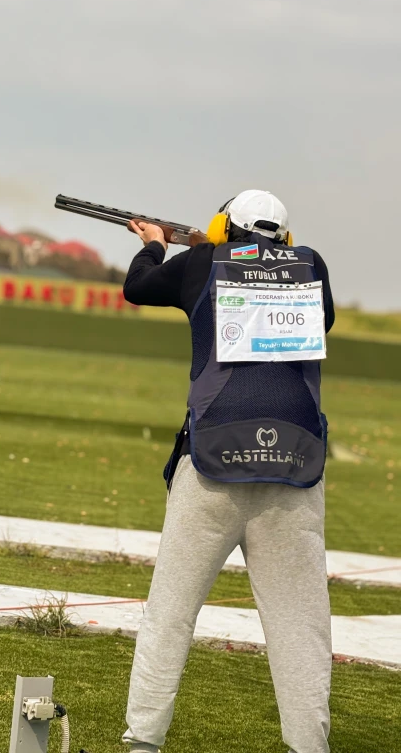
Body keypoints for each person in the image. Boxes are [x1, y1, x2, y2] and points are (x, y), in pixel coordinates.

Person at [121, 190, 335, 753]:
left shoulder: (198, 264)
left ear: (222, 225)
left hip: (212, 465)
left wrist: (156, 247)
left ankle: (143, 739)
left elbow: (138, 289)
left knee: (169, 614)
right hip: (295, 467)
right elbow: (319, 313)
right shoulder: (312, 267)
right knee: (301, 629)